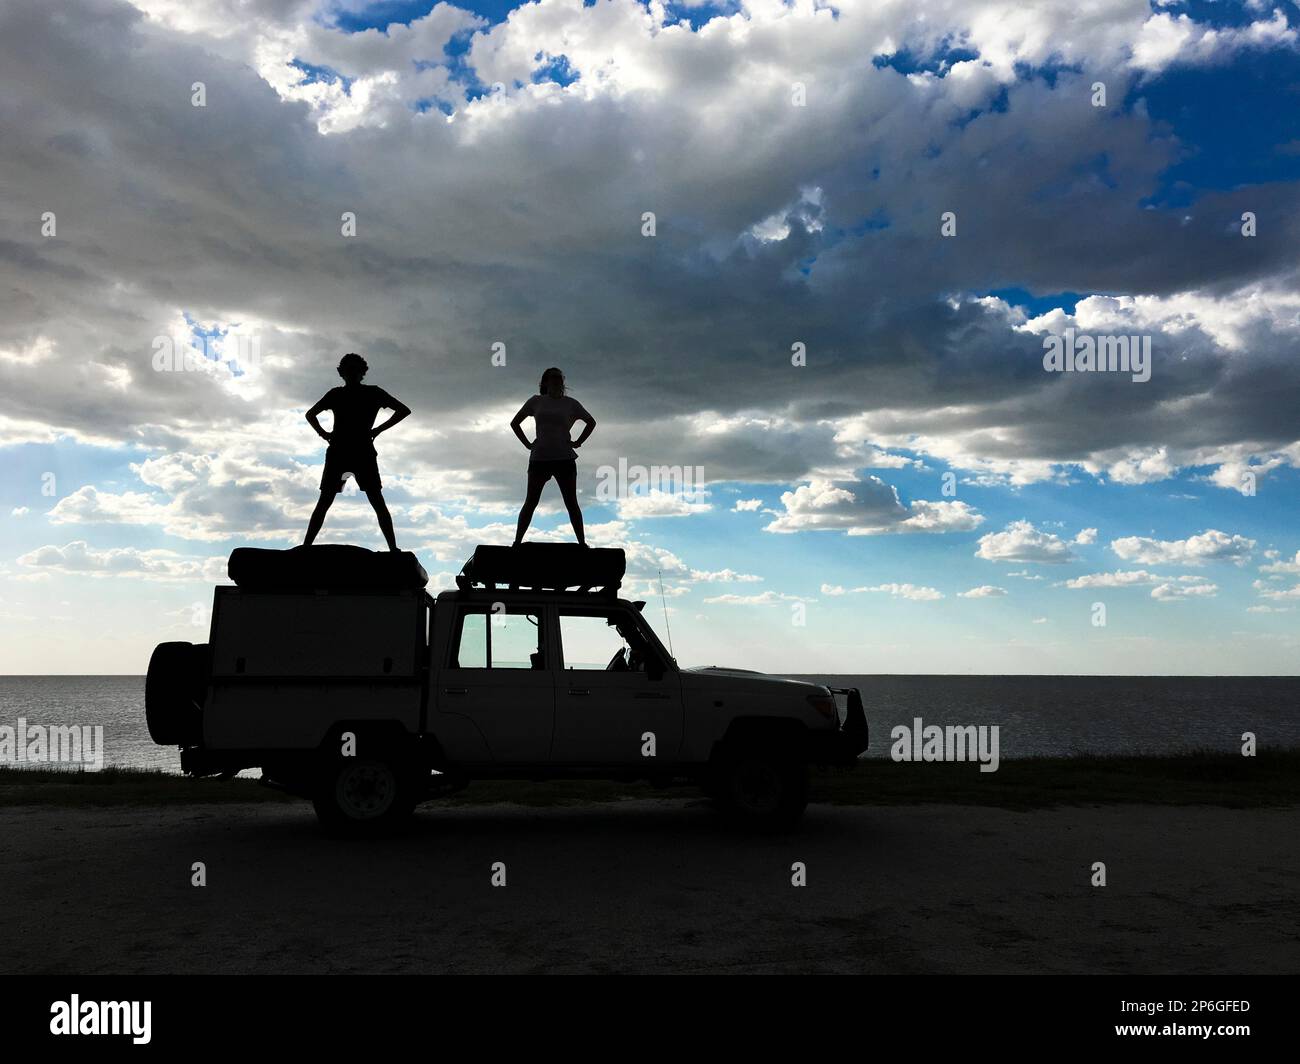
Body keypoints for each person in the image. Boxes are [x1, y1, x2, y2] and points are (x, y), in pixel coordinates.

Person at [303, 353, 410, 551]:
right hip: (354, 450)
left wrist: (324, 434)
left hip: (346, 451)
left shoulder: (339, 394)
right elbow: (403, 410)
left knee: (329, 501)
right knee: (372, 501)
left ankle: (306, 546)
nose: (351, 374)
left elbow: (311, 415)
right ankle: (393, 549)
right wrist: (376, 430)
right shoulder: (366, 393)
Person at [510, 367, 596, 546]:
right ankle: (517, 542)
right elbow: (515, 422)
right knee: (531, 501)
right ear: (545, 382)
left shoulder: (571, 404)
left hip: (565, 458)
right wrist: (527, 444)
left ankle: (582, 543)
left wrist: (578, 442)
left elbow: (591, 422)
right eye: (553, 378)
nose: (557, 381)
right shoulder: (536, 401)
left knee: (571, 502)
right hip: (539, 458)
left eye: (559, 378)